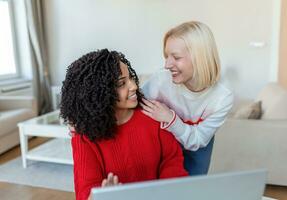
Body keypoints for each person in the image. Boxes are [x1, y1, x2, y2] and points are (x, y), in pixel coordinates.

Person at [60, 49, 188, 200]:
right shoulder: (84, 137)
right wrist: (102, 196)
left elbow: (171, 160)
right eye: (122, 83)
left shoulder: (154, 113)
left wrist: (166, 193)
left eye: (131, 78)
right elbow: (84, 192)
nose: (133, 86)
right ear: (99, 93)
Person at [141, 21, 234, 175]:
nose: (167, 65)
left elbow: (197, 140)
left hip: (197, 144)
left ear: (200, 58)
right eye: (166, 56)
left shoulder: (223, 96)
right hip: (164, 142)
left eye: (176, 57)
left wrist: (171, 118)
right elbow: (133, 109)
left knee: (193, 190)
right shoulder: (161, 80)